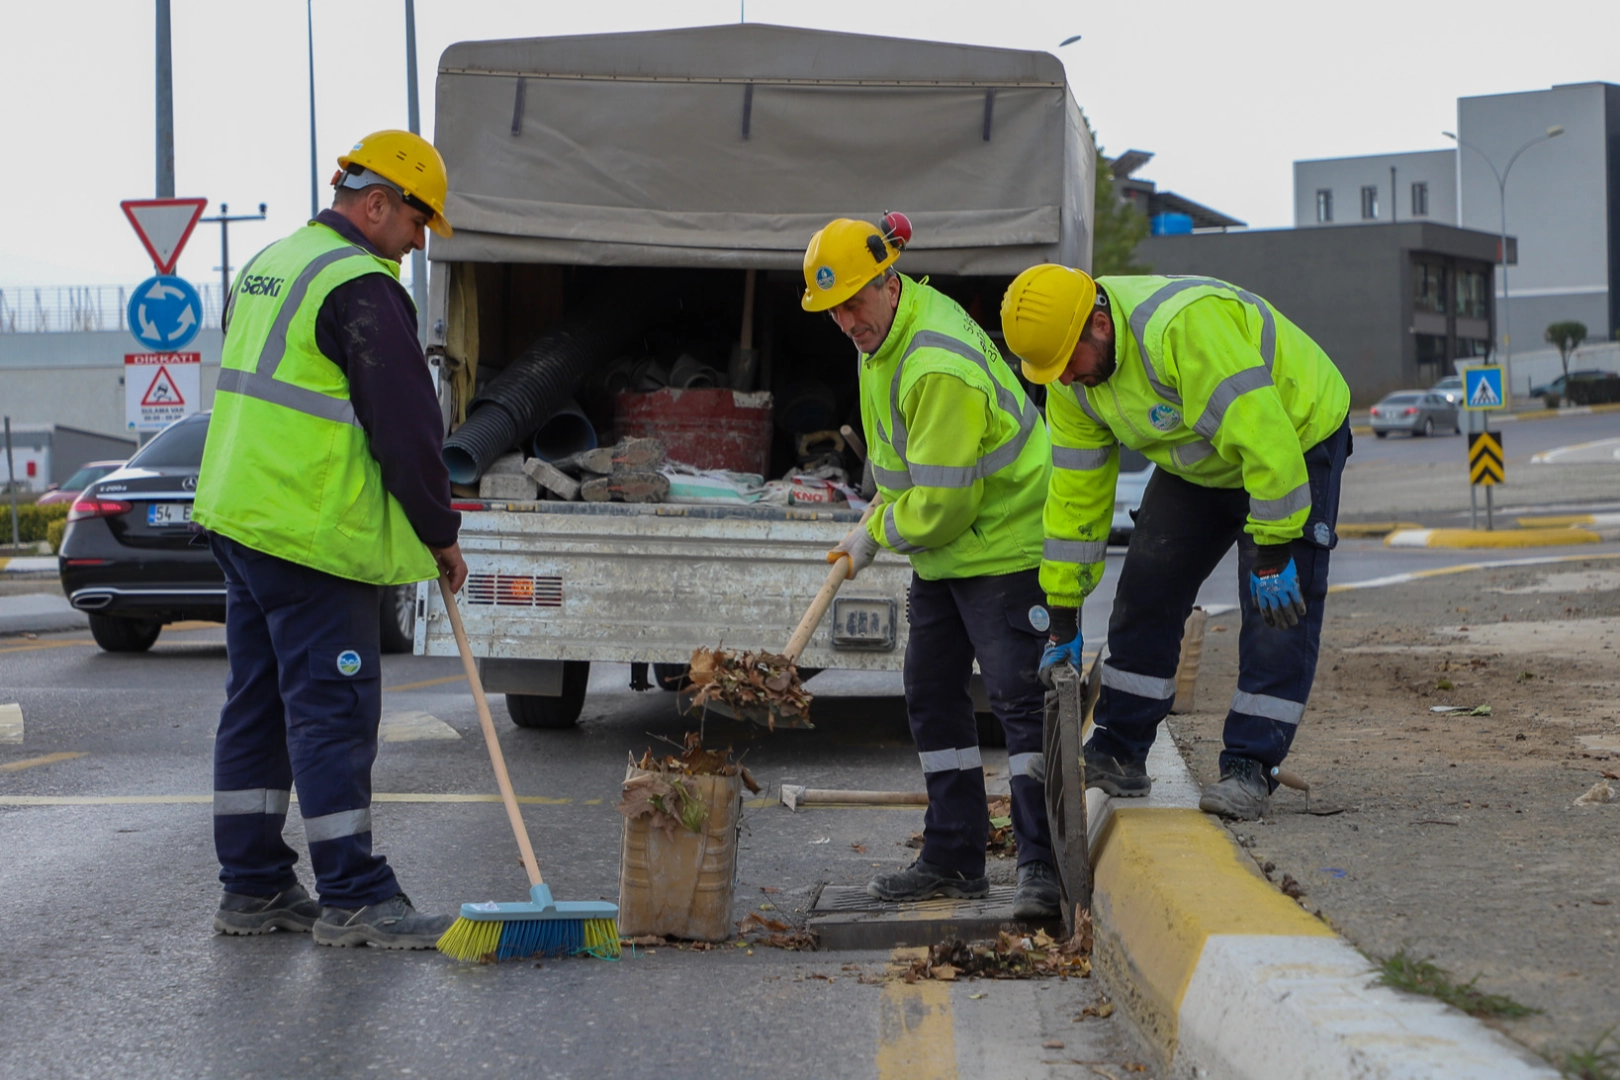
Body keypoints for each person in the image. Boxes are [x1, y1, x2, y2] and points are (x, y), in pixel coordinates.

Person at [193, 130, 468, 948]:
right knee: (333, 712)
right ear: (376, 203)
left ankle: (253, 888)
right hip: (308, 535)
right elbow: (408, 427)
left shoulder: (272, 263)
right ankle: (353, 895)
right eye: (418, 221)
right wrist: (439, 532)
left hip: (243, 521)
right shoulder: (360, 286)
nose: (420, 241)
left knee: (259, 706)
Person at [1000, 266, 1351, 820]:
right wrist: (1062, 615)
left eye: (1068, 362)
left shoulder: (1180, 330)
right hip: (1203, 455)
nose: (1064, 378)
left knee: (1275, 609)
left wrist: (1275, 550)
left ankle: (1249, 767)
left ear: (1099, 323)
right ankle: (1120, 750)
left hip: (1294, 433)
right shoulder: (1069, 381)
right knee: (1146, 586)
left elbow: (1265, 437)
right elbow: (1075, 498)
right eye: (1051, 371)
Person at [805, 214, 1062, 918]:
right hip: (950, 552)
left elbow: (944, 504)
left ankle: (1044, 868)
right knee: (930, 691)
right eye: (834, 310)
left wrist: (877, 533)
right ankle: (954, 859)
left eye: (856, 303)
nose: (847, 321)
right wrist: (872, 524)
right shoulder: (881, 338)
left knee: (1017, 702)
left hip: (1005, 545)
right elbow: (905, 466)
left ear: (889, 283)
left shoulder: (935, 361)